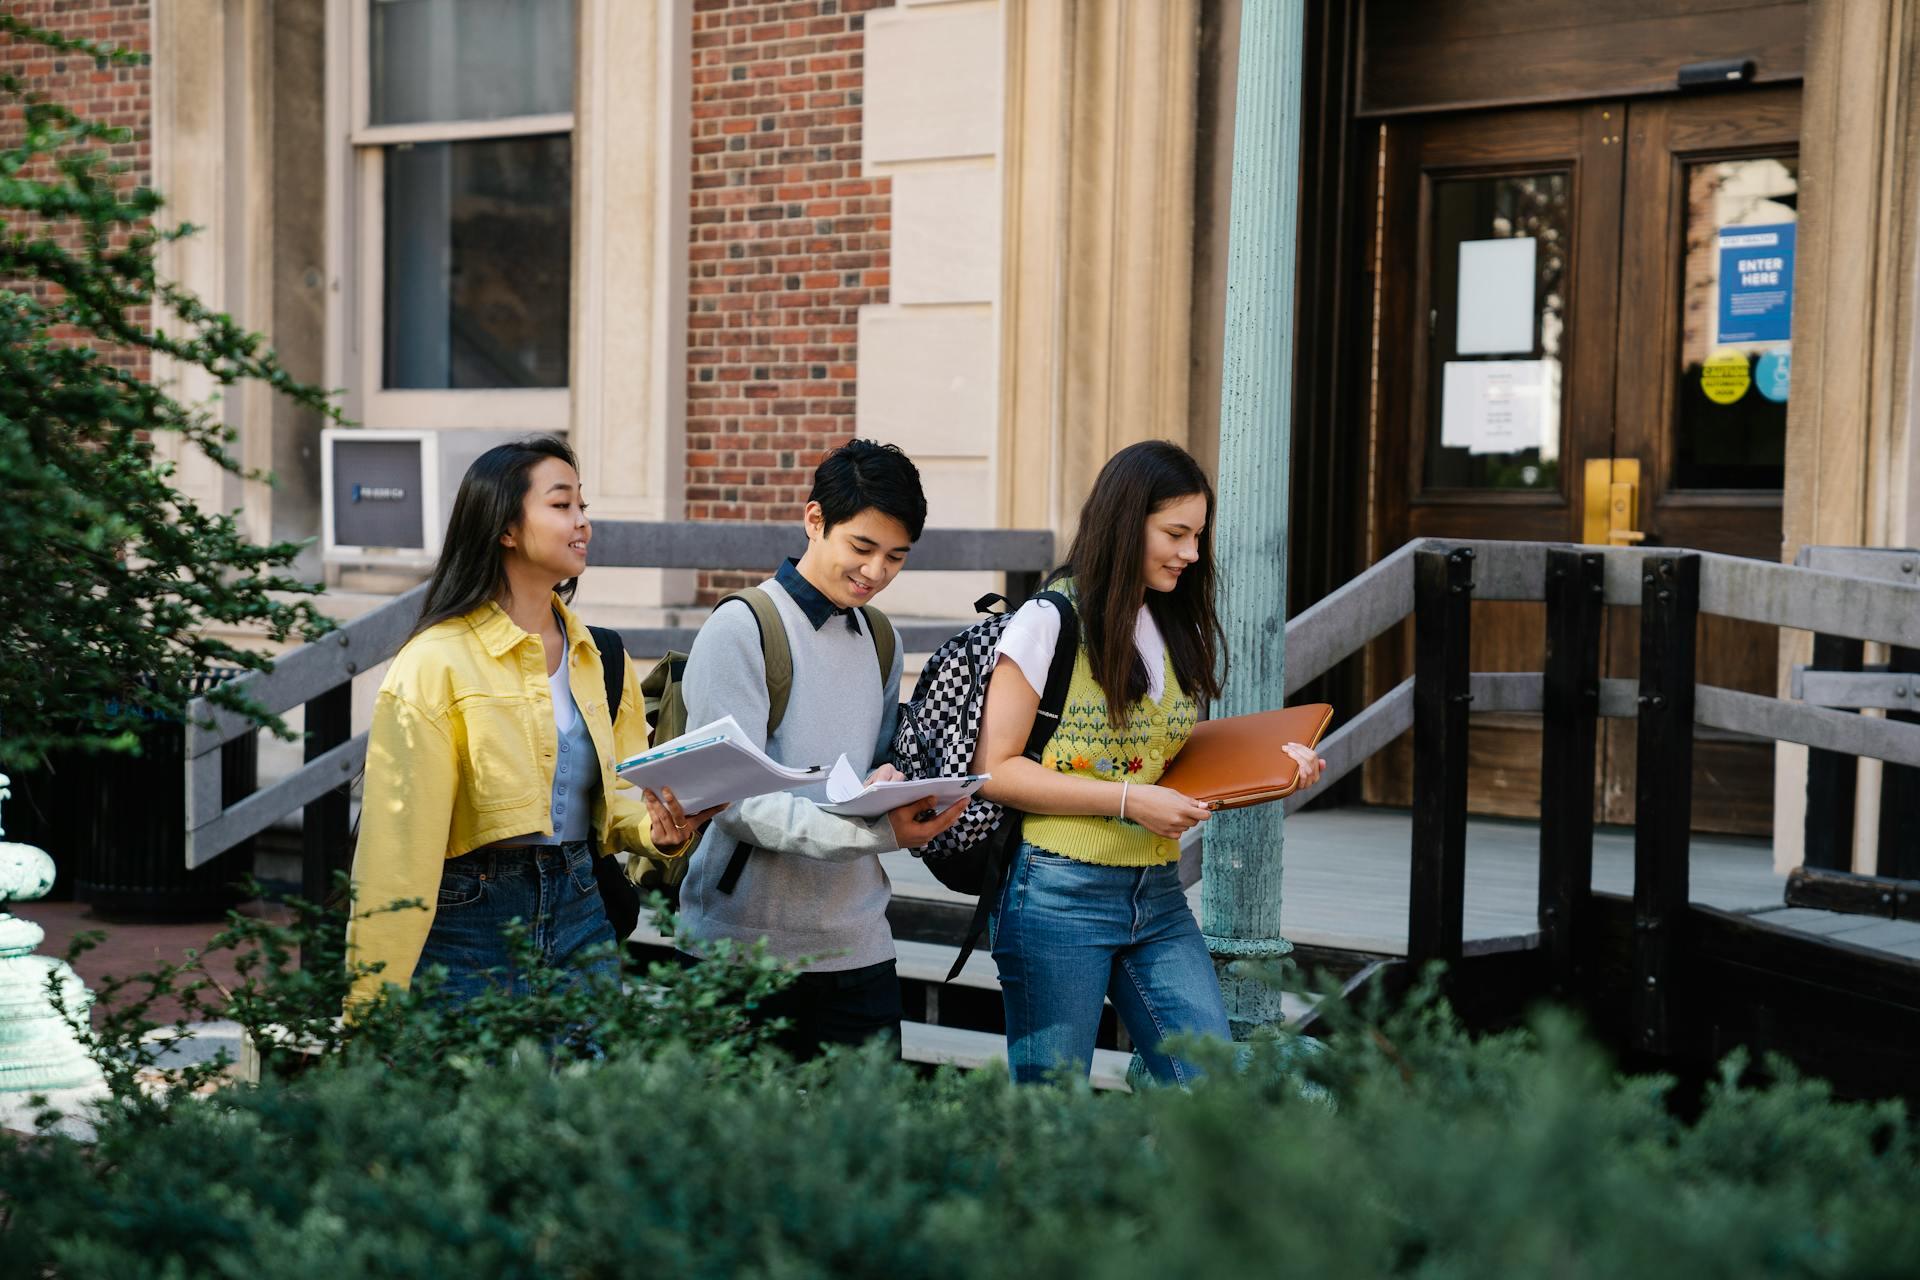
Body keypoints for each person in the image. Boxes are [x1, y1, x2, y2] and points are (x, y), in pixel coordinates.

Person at [971, 440, 1326, 1085]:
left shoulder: (1171, 621)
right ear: (1125, 521)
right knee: (1053, 1111)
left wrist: (1271, 767)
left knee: (1207, 1087)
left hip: (1156, 894)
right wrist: (1133, 802)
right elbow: (996, 770)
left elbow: (1166, 751)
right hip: (1057, 892)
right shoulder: (1050, 620)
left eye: (1198, 535)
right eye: (1176, 533)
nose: (1192, 553)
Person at [344, 436, 716, 1015]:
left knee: (580, 1101)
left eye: (583, 506)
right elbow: (397, 850)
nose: (582, 522)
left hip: (580, 903)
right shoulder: (435, 661)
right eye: (561, 505)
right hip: (468, 911)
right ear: (505, 528)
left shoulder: (600, 655)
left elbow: (617, 796)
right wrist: (370, 1003)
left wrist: (659, 830)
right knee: (463, 1100)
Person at [674, 439, 968, 1059]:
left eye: (896, 557)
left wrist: (899, 784)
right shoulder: (742, 627)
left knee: (865, 1150)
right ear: (814, 520)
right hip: (741, 949)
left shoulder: (880, 637)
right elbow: (730, 800)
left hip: (859, 943)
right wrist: (875, 832)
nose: (876, 572)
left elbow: (868, 770)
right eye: (862, 548)